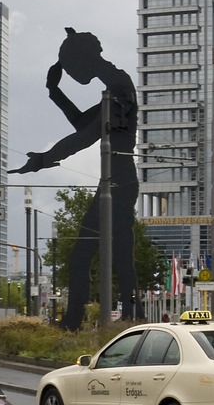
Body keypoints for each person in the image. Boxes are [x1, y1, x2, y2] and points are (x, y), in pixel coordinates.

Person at [10, 27, 144, 330]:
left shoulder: (119, 85)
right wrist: (54, 92)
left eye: (70, 68)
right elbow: (84, 124)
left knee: (87, 254)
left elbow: (84, 137)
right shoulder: (116, 83)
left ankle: (77, 322)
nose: (71, 75)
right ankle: (129, 319)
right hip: (115, 182)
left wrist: (44, 160)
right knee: (119, 254)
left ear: (84, 59)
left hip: (118, 183)